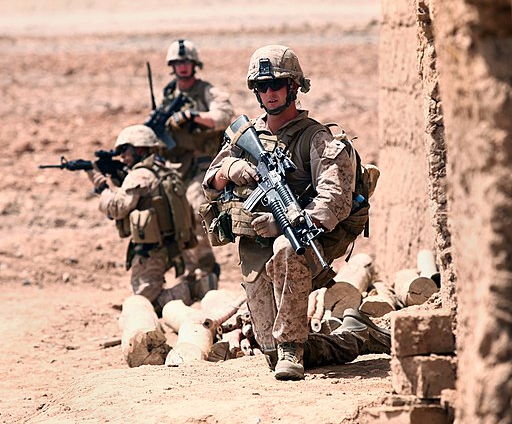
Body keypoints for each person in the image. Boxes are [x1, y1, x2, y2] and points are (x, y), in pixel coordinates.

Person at [202, 44, 385, 381]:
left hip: (308, 240)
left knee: (286, 251)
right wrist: (230, 168)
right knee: (269, 351)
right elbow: (209, 183)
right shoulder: (245, 136)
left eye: (277, 85)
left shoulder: (316, 138)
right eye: (263, 87)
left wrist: (285, 223)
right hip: (255, 246)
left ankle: (292, 347)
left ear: (295, 87)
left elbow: (335, 199)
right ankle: (357, 337)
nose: (270, 93)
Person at [87, 125, 197, 316]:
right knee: (142, 297)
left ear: (139, 149)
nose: (122, 156)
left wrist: (101, 187)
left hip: (151, 250)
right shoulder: (163, 169)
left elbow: (117, 208)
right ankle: (193, 289)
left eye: (125, 150)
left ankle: (189, 291)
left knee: (143, 302)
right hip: (169, 244)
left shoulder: (139, 175)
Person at [159, 38, 234, 291]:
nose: (182, 67)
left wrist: (194, 117)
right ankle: (189, 268)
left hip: (204, 164)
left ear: (195, 65)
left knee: (196, 208)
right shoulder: (169, 94)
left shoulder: (207, 92)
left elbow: (222, 116)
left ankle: (206, 264)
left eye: (187, 62)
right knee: (172, 217)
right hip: (176, 166)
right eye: (178, 63)